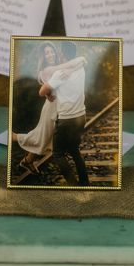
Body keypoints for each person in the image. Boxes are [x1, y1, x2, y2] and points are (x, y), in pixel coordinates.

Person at [12, 41, 86, 174]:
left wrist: (73, 68)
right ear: (43, 56)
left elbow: (74, 65)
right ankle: (12, 137)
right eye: (47, 53)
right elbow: (44, 88)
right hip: (51, 108)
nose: (50, 54)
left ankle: (27, 161)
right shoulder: (47, 70)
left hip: (61, 108)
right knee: (41, 136)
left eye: (52, 51)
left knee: (46, 137)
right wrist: (75, 65)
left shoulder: (58, 67)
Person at [39, 41, 90, 186]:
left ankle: (73, 184)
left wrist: (48, 94)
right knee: (74, 150)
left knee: (57, 154)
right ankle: (85, 182)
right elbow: (82, 61)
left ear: (61, 54)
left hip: (67, 119)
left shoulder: (59, 74)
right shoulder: (80, 69)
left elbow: (41, 91)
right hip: (81, 116)